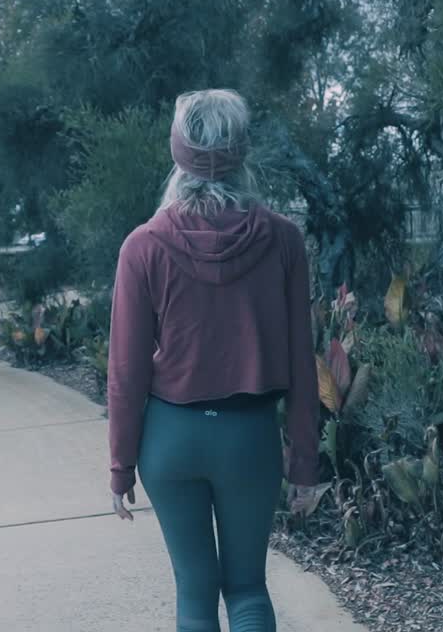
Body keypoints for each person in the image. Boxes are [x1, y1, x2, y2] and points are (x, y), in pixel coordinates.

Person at [107, 88, 322, 632]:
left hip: (171, 440)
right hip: (248, 440)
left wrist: (121, 465)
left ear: (177, 152)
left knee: (194, 592)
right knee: (247, 588)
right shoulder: (283, 240)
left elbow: (127, 372)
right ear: (241, 151)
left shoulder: (143, 246)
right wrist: (303, 464)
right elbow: (303, 362)